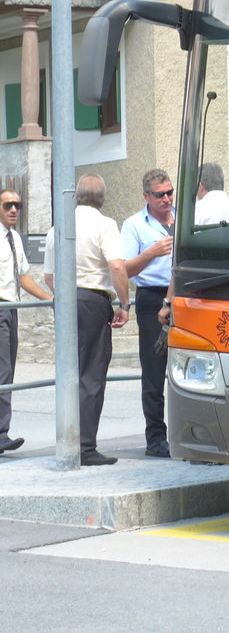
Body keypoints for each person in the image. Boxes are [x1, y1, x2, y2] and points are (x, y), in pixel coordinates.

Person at [44, 174, 129, 466]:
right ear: (102, 198)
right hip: (93, 300)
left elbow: (48, 277)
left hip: (65, 299)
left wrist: (65, 297)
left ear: (76, 196)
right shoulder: (105, 225)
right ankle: (85, 446)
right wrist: (125, 304)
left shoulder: (59, 227)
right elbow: (116, 266)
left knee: (70, 372)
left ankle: (67, 441)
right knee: (92, 375)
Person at [121, 169, 175, 458]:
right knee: (154, 371)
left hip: (184, 295)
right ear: (146, 196)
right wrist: (152, 253)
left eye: (169, 192)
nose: (166, 198)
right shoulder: (134, 225)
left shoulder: (183, 217)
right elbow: (125, 270)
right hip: (152, 297)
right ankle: (156, 438)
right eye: (159, 194)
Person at [0, 188, 54, 455]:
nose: (13, 210)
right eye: (8, 205)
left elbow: (23, 277)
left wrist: (49, 299)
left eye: (17, 206)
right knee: (2, 370)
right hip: (0, 306)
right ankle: (0, 433)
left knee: (7, 371)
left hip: (13, 308)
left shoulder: (15, 239)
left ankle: (1, 432)